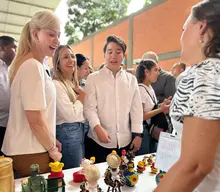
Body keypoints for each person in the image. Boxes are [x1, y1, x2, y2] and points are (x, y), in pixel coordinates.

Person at [155, 1, 220, 191]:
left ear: (202, 27)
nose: (181, 37)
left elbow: (195, 166)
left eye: (184, 29)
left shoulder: (207, 73)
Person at [2, 10, 62, 178]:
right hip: (31, 152)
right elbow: (35, 120)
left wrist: (51, 140)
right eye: (51, 34)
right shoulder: (32, 66)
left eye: (58, 35)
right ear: (35, 34)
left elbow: (39, 116)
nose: (57, 40)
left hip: (30, 149)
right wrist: (52, 149)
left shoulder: (33, 64)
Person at [84, 35, 143, 163]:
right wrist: (97, 128)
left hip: (125, 141)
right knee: (98, 179)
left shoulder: (131, 79)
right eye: (109, 52)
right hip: (98, 141)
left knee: (123, 177)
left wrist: (138, 134)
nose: (113, 56)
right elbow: (89, 108)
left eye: (118, 52)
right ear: (104, 55)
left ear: (123, 55)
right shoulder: (93, 78)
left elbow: (136, 109)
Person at [53, 45, 85, 169]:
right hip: (67, 132)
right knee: (73, 172)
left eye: (72, 56)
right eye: (65, 57)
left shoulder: (72, 83)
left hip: (78, 130)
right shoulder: (57, 84)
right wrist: (81, 98)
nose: (71, 60)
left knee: (79, 170)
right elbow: (70, 115)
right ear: (57, 63)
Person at [135, 59, 170, 154]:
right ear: (147, 72)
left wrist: (161, 105)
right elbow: (140, 116)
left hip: (150, 130)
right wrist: (160, 109)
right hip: (143, 132)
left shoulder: (149, 88)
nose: (158, 73)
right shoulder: (141, 89)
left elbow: (150, 107)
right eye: (156, 70)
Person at [0, 36, 17, 156]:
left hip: (10, 125)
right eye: (14, 48)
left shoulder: (12, 69)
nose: (16, 51)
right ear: (3, 48)